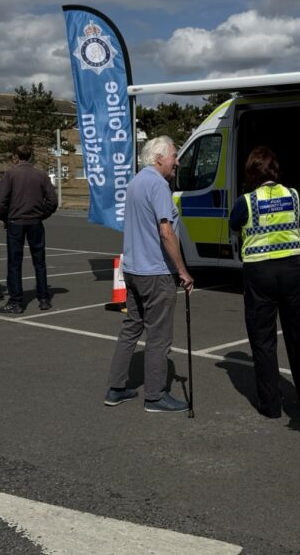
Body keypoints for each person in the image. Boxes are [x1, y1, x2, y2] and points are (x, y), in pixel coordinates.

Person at [229, 146, 300, 418]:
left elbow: (234, 224)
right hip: (291, 271)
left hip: (259, 273)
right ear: (275, 170)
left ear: (252, 172)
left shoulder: (247, 200)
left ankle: (270, 404)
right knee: (298, 334)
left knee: (262, 339)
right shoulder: (293, 195)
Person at [104, 136, 194, 414]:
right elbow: (165, 231)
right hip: (155, 271)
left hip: (132, 269)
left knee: (131, 327)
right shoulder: (157, 185)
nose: (177, 162)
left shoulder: (136, 182)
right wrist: (182, 270)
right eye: (174, 156)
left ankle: (116, 387)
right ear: (158, 158)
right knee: (159, 335)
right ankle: (155, 396)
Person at [0, 145, 58, 314]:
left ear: (16, 157)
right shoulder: (41, 175)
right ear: (31, 156)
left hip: (16, 222)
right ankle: (44, 299)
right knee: (39, 262)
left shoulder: (10, 174)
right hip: (35, 221)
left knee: (15, 263)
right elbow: (52, 201)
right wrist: (42, 214)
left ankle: (16, 301)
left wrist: (5, 216)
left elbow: (1, 200)